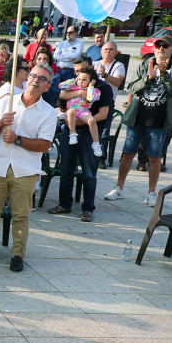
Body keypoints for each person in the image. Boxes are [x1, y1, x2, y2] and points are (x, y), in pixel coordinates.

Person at [0, 65, 57, 272]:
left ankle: (17, 254)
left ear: (47, 86)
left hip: (25, 169)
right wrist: (0, 123)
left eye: (42, 79)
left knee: (21, 215)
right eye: (33, 75)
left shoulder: (49, 113)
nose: (35, 80)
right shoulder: (6, 102)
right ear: (26, 79)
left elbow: (44, 145)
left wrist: (18, 140)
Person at [104, 38, 172, 207]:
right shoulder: (145, 64)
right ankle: (119, 188)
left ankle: (151, 193)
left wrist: (163, 75)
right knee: (128, 153)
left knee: (155, 157)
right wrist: (148, 78)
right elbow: (132, 87)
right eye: (158, 46)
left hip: (159, 121)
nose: (161, 48)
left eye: (165, 46)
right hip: (138, 118)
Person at [49, 58, 112, 222]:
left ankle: (88, 208)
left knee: (89, 173)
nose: (78, 76)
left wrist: (80, 121)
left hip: (88, 132)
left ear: (90, 69)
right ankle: (64, 204)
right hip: (69, 132)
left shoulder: (102, 87)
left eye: (82, 71)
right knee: (66, 170)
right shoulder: (73, 84)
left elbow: (103, 114)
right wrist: (78, 93)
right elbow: (62, 97)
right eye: (76, 72)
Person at [58, 69, 104, 156]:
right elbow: (61, 86)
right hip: (71, 112)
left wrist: (90, 86)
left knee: (91, 120)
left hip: (83, 111)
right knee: (71, 111)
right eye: (79, 79)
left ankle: (96, 143)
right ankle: (72, 133)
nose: (81, 82)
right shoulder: (73, 88)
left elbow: (91, 98)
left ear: (91, 81)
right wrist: (74, 80)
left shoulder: (93, 90)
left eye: (84, 80)